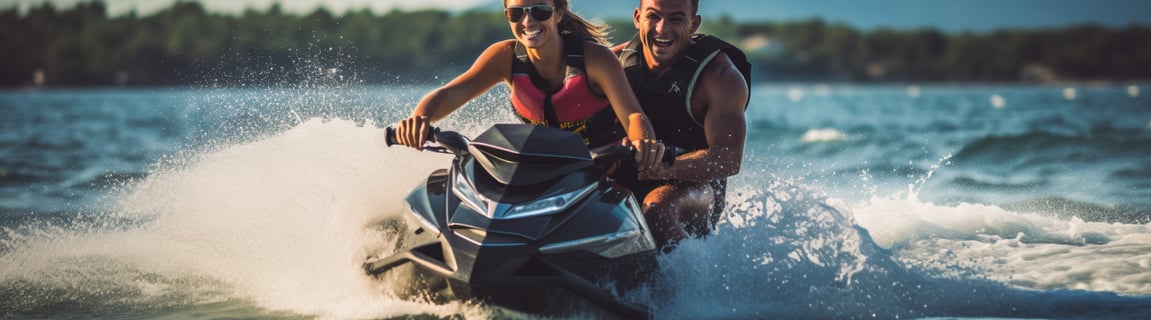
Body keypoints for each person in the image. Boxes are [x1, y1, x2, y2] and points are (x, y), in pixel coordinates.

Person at [394, 0, 665, 172]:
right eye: (516, 13)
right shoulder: (504, 58)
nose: (527, 21)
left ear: (558, 12)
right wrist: (420, 118)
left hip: (606, 171)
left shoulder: (595, 59)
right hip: (541, 175)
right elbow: (450, 93)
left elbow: (633, 115)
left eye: (540, 11)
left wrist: (642, 143)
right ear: (507, 16)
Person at [612, 0, 753, 251]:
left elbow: (728, 158)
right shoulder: (613, 65)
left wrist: (667, 169)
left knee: (658, 210)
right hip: (628, 176)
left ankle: (683, 288)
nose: (662, 29)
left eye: (676, 19)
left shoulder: (721, 78)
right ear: (637, 17)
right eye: (653, 17)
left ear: (694, 24)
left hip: (695, 188)